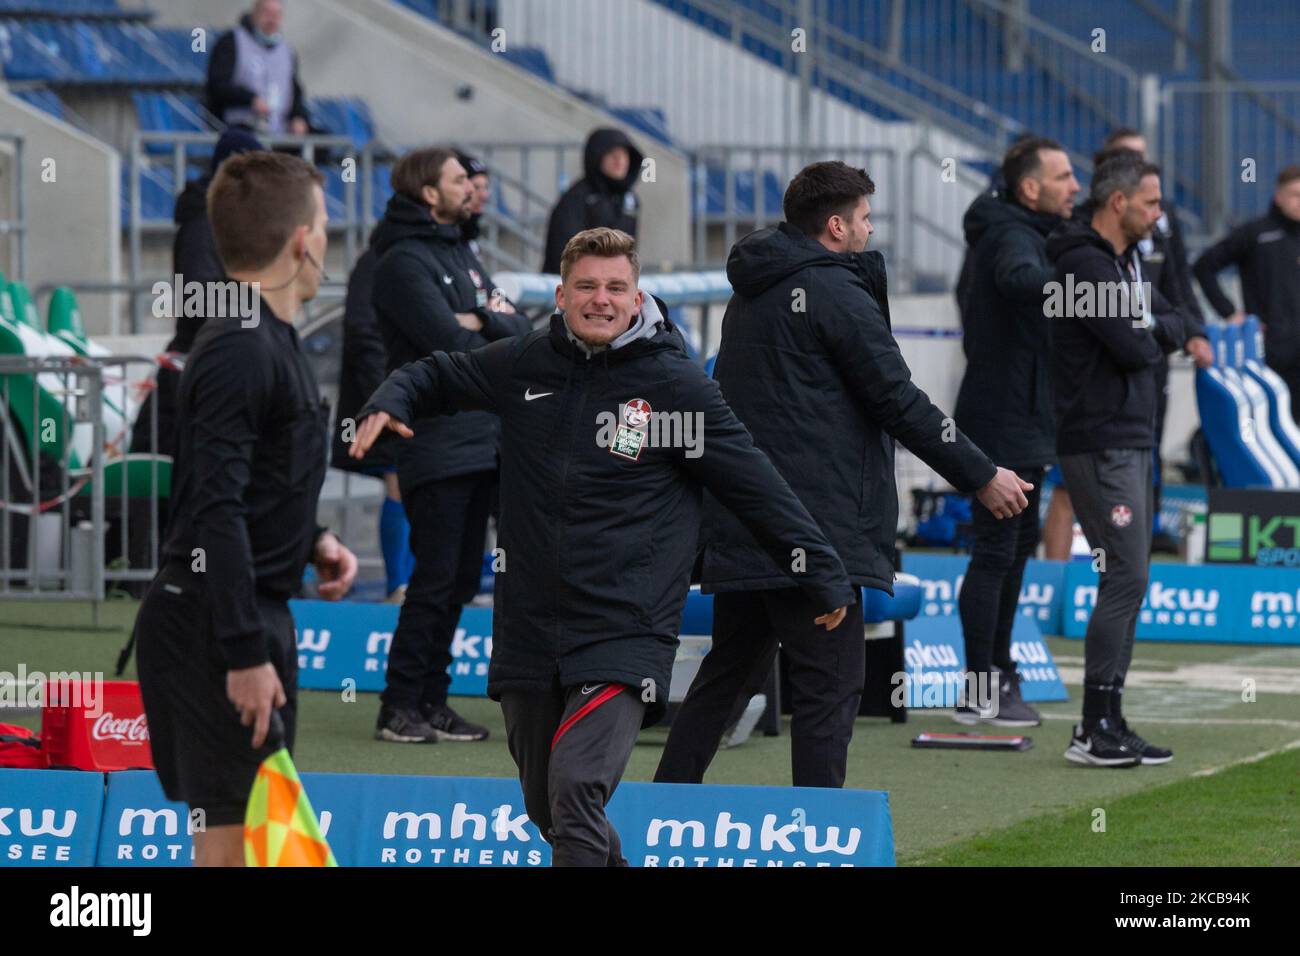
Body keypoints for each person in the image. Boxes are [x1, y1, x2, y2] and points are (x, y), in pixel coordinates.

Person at [351, 226, 855, 866]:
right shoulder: (524, 362)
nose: (601, 299)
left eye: (616, 287)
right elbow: (437, 373)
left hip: (624, 627)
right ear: (560, 295)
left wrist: (819, 569)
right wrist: (389, 398)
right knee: (548, 808)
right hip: (530, 629)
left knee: (576, 790)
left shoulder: (677, 389)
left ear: (637, 296)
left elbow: (756, 485)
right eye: (587, 286)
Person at [655, 162, 1034, 789]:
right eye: (863, 218)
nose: (870, 228)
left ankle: (658, 813)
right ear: (836, 226)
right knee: (829, 688)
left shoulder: (753, 289)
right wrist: (981, 474)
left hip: (752, 519)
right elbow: (898, 400)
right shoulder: (833, 292)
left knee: (727, 676)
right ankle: (818, 836)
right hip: (815, 528)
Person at [133, 152, 358, 866]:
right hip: (212, 626)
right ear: (301, 240)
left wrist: (311, 536)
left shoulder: (269, 337)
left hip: (244, 614)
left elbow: (249, 482)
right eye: (324, 224)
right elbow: (215, 508)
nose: (328, 239)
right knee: (232, 851)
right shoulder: (238, 347)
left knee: (258, 846)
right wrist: (242, 653)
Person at [369, 148, 530, 744]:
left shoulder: (462, 250)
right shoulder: (400, 262)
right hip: (434, 443)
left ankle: (431, 701)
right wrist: (477, 321)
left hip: (483, 440)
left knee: (462, 581)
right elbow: (446, 343)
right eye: (460, 179)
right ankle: (398, 706)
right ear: (428, 192)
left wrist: (477, 318)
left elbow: (516, 326)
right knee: (434, 579)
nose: (473, 188)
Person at [1047, 151, 1187, 767]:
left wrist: (1156, 327)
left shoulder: (1121, 260)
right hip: (1101, 437)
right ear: (1120, 201)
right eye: (1152, 203)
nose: (1160, 215)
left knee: (1131, 578)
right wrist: (1158, 330)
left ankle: (1110, 718)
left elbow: (1168, 320)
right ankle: (1092, 726)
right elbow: (1134, 346)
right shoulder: (1083, 263)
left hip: (1126, 433)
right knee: (1126, 577)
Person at [952, 137, 1079, 727]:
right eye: (1064, 176)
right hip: (1003, 418)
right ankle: (982, 684)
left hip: (1020, 417)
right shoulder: (1010, 235)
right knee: (997, 553)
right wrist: (1088, 293)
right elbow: (1019, 279)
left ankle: (995, 673)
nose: (1075, 186)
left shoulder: (1015, 228)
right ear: (1031, 188)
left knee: (1012, 551)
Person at [131, 128, 264, 459]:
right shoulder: (204, 225)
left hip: (204, 373)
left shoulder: (222, 223)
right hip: (194, 378)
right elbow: (200, 300)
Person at [330, 230, 412, 602]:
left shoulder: (453, 250)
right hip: (395, 397)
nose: (477, 196)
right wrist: (384, 396)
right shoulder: (378, 260)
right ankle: (398, 585)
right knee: (399, 480)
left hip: (424, 395)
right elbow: (363, 334)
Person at [1194, 163, 1300, 417]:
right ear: (1278, 197)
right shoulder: (1256, 234)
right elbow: (1204, 266)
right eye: (1296, 195)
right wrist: (1230, 313)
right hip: (1271, 351)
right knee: (1275, 421)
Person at [541, 128, 643, 274]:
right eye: (612, 154)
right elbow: (564, 253)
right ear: (596, 157)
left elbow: (630, 250)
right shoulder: (576, 199)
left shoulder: (630, 200)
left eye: (624, 155)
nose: (619, 160)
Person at [206, 0, 311, 136]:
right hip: (240, 126)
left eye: (276, 15)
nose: (272, 20)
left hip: (280, 129)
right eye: (267, 13)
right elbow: (218, 85)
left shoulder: (287, 51)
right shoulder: (231, 42)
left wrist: (299, 117)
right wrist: (250, 100)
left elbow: (295, 93)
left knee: (322, 141)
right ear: (254, 14)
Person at [457, 150, 491, 257]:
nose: (484, 196)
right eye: (475, 187)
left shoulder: (470, 238)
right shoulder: (447, 241)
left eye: (486, 187)